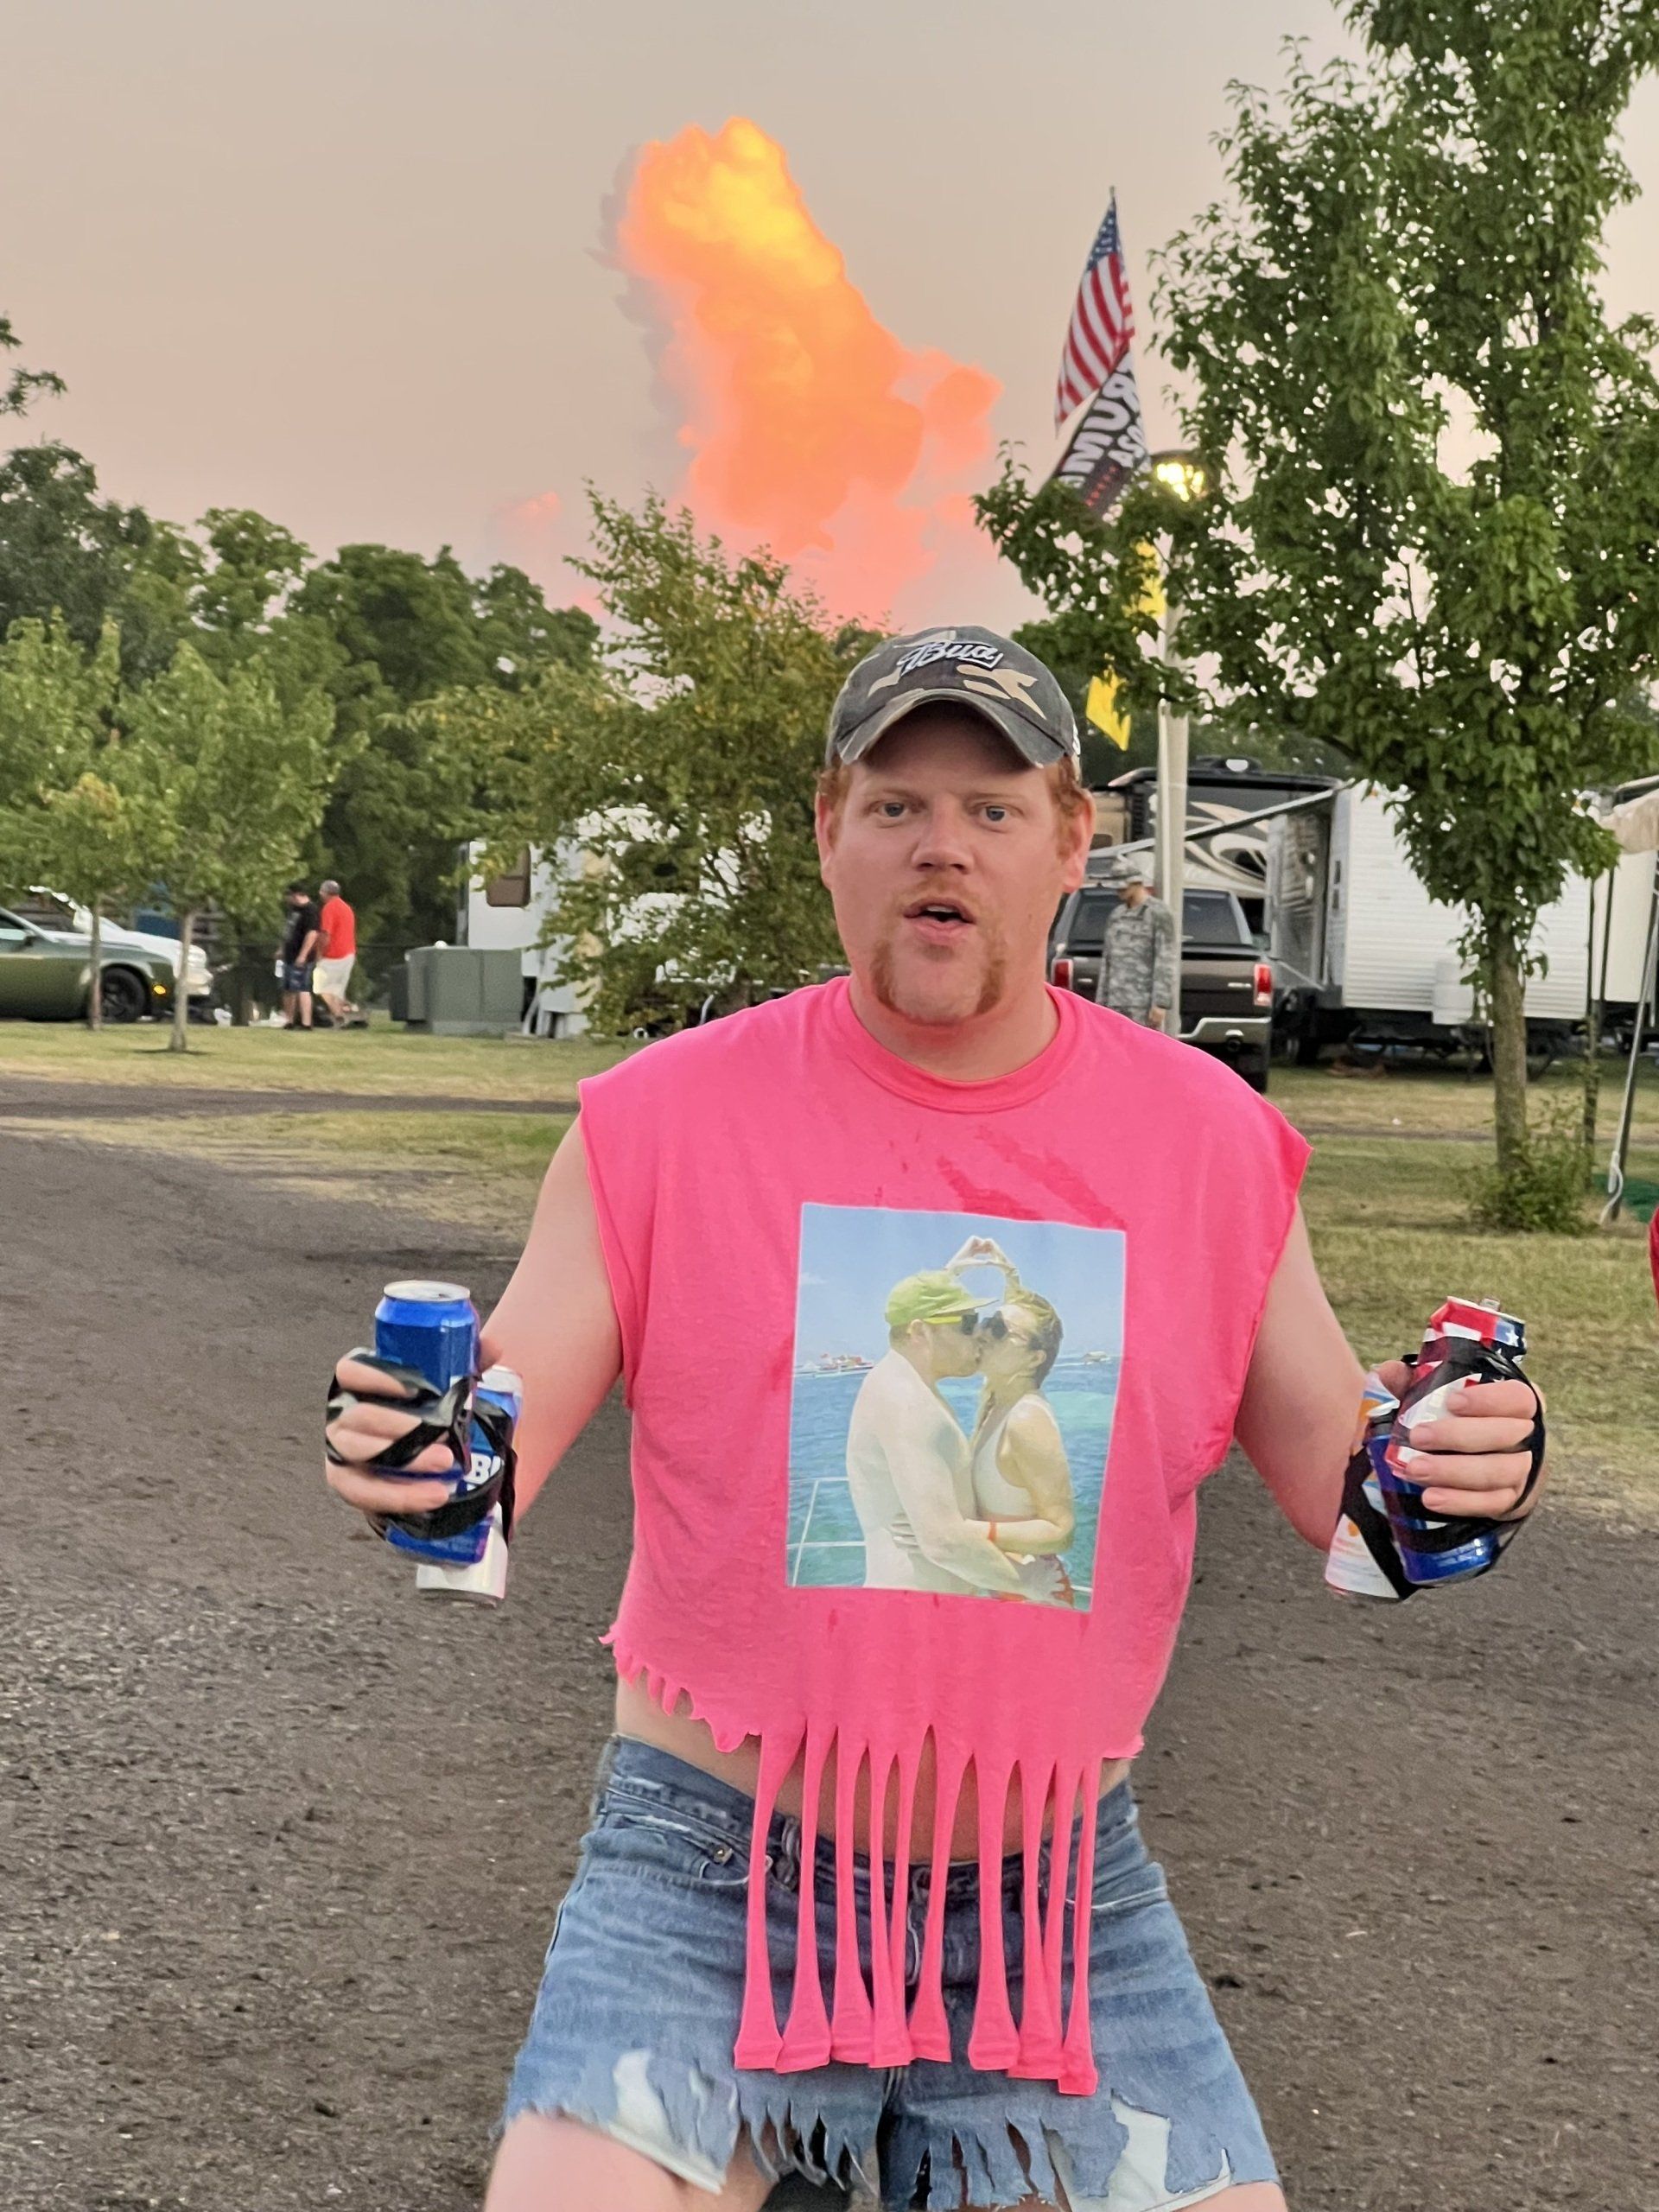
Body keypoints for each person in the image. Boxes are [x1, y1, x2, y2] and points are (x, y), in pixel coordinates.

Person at [323, 623, 1545, 2212]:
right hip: (713, 1880)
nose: (941, 846)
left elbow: (1352, 1485)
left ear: (1072, 843)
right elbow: (499, 1423)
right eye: (896, 805)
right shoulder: (662, 1119)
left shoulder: (1209, 1141)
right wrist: (423, 1454)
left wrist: (1460, 1461)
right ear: (829, 829)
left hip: (1059, 1914)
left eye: (993, 808)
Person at [844, 1268, 1064, 1602]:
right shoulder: (909, 1405)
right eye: (967, 1323)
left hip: (918, 1604)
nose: (978, 1335)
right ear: (920, 1332)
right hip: (917, 1612)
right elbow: (944, 1543)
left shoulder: (896, 1382)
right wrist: (1028, 1583)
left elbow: (915, 1306)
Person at [947, 1237, 1077, 1589]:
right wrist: (960, 1274)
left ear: (1034, 1359)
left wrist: (963, 1532)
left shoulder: (1026, 1419)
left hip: (1032, 1592)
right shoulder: (996, 1400)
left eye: (999, 1330)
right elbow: (922, 1340)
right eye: (989, 1322)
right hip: (1004, 1584)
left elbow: (1061, 1531)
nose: (984, 1333)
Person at [1095, 854, 1177, 1032]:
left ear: (1136, 883)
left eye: (1123, 887)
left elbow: (1165, 958)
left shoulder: (1158, 913)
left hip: (1143, 1003)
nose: (1119, 892)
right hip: (1115, 1001)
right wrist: (1101, 1002)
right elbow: (1108, 960)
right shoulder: (1116, 915)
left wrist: (1160, 1003)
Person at [314, 878, 359, 1026]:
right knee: (337, 989)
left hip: (334, 955)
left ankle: (340, 1016)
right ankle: (347, 1012)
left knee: (321, 988)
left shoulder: (329, 908)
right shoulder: (346, 908)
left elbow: (326, 934)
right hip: (349, 953)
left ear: (325, 892)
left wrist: (319, 953)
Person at [277, 882, 320, 1031]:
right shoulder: (293, 910)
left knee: (302, 987)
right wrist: (281, 948)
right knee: (288, 988)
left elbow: (312, 934)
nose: (287, 898)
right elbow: (288, 931)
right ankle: (289, 1021)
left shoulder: (310, 911)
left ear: (296, 895)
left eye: (288, 895)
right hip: (289, 955)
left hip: (301, 957)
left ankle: (306, 1023)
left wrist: (303, 955)